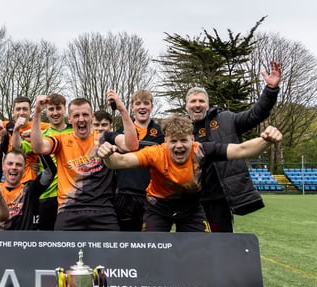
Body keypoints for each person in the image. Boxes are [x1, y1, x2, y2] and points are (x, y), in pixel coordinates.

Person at [97, 114, 282, 232]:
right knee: (150, 251)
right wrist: (107, 156)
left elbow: (242, 150)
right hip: (157, 208)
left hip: (191, 209)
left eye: (184, 140)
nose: (179, 146)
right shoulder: (155, 153)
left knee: (200, 251)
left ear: (192, 139)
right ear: (165, 141)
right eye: (173, 141)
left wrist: (266, 140)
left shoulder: (202, 150)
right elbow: (120, 162)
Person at [186, 60, 282, 232]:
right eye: (193, 101)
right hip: (190, 199)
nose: (197, 104)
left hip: (219, 199)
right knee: (190, 247)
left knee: (221, 246)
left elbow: (256, 114)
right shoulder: (181, 131)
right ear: (186, 106)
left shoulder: (226, 119)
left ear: (207, 105)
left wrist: (270, 90)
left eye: (201, 100)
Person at [30, 92, 138, 230]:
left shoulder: (105, 137)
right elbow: (38, 147)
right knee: (63, 251)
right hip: (69, 211)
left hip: (103, 211)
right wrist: (38, 113)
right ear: (69, 119)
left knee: (111, 251)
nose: (81, 119)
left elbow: (132, 145)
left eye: (85, 115)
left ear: (92, 117)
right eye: (76, 115)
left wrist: (122, 109)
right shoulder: (61, 140)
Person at [114, 90, 164, 231]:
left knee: (150, 242)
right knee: (126, 241)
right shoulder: (121, 132)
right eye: (138, 103)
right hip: (125, 196)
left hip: (152, 197)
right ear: (132, 108)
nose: (142, 107)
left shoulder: (161, 134)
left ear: (152, 107)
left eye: (146, 103)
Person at [36, 94, 72, 231]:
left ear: (65, 110)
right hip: (48, 194)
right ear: (46, 111)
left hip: (71, 195)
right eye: (51, 109)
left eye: (58, 108)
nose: (55, 113)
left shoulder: (75, 132)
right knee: (47, 242)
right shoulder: (42, 136)